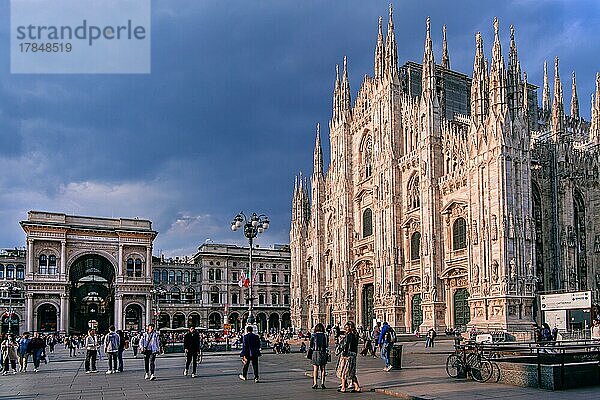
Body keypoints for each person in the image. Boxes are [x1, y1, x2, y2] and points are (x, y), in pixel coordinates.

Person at [336, 321, 361, 393]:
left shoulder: (349, 335)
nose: (345, 329)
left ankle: (343, 387)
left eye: (347, 327)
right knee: (351, 372)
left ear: (350, 327)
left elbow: (347, 345)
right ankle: (357, 387)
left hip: (348, 355)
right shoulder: (355, 335)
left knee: (344, 371)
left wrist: (344, 354)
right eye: (345, 327)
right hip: (353, 354)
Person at [309, 323, 328, 389]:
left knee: (315, 369)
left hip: (315, 352)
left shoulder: (313, 335)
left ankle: (315, 383)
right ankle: (322, 383)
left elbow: (311, 345)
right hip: (323, 352)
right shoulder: (325, 335)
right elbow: (326, 345)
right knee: (323, 369)